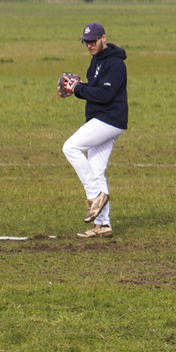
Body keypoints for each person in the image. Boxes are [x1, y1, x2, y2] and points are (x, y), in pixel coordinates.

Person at [59, 22, 128, 239]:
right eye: (86, 42)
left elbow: (105, 95)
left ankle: (94, 195)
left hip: (109, 120)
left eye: (93, 41)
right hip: (103, 121)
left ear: (103, 38)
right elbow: (94, 88)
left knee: (70, 147)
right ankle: (103, 225)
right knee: (97, 170)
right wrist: (76, 89)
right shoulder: (95, 61)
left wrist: (78, 88)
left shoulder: (116, 64)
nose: (89, 45)